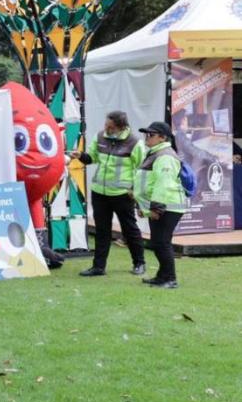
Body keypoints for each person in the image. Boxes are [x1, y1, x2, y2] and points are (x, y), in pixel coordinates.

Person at [70, 111, 147, 277]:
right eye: (106, 125)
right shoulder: (100, 137)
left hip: (122, 194)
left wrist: (135, 191)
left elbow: (142, 170)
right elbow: (93, 158)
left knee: (130, 229)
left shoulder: (135, 143)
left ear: (121, 127)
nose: (106, 129)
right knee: (102, 231)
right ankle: (98, 267)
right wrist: (81, 156)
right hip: (99, 193)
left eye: (110, 127)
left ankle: (139, 263)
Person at [135, 122, 187, 289]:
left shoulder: (164, 156)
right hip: (163, 206)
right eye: (146, 134)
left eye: (151, 134)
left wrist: (155, 209)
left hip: (168, 206)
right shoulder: (156, 153)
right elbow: (148, 182)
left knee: (161, 243)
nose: (147, 137)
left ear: (162, 137)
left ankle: (170, 279)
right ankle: (162, 276)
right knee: (158, 242)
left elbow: (163, 185)